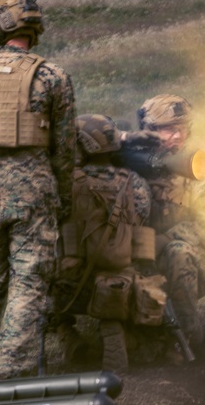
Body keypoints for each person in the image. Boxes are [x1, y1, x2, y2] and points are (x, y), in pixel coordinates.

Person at [0, 0, 76, 381]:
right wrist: (63, 198)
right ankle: (9, 373)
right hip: (35, 192)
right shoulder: (52, 76)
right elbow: (64, 148)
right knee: (28, 281)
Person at [52, 113, 157, 374]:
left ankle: (67, 335)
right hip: (124, 283)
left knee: (33, 276)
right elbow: (142, 229)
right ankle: (118, 329)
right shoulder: (137, 183)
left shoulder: (66, 184)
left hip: (73, 286)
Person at [133, 94, 205, 349]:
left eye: (182, 129)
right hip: (137, 254)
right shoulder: (131, 164)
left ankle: (186, 335)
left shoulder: (197, 169)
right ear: (148, 131)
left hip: (191, 261)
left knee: (178, 253)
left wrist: (165, 240)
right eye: (168, 129)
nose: (177, 136)